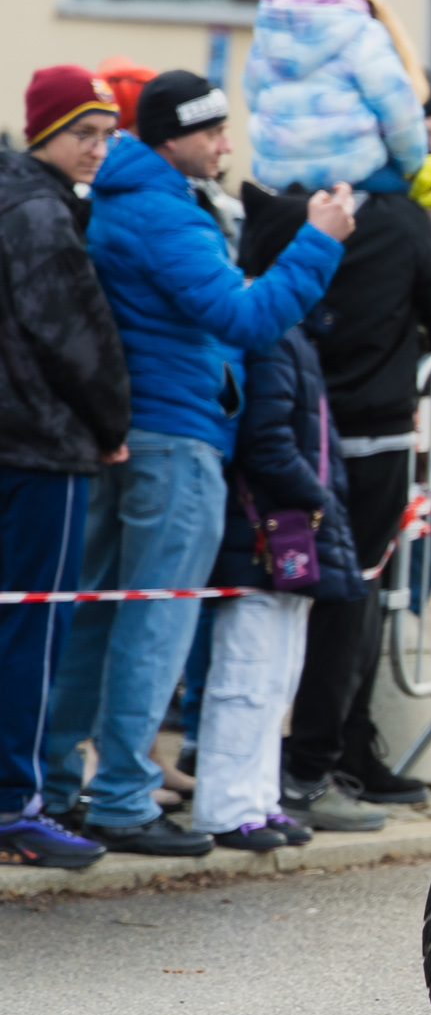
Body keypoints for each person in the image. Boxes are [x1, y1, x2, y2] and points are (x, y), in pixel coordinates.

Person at [45, 72, 350, 856]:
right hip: (174, 441)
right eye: (211, 131)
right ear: (169, 137)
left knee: (101, 615)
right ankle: (120, 797)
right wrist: (319, 241)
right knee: (156, 621)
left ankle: (58, 785)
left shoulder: (136, 199)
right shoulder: (160, 209)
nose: (225, 143)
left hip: (138, 434)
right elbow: (245, 317)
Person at [271, 77, 431, 825]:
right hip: (369, 436)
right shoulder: (397, 217)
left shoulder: (286, 202)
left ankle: (334, 756)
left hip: (285, 429)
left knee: (272, 597)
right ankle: (311, 768)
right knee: (347, 600)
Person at [193, 207, 367, 851]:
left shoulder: (291, 335)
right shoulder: (272, 337)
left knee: (275, 676)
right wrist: (318, 494)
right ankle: (226, 805)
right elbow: (265, 443)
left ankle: (258, 798)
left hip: (287, 527)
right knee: (248, 671)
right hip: (267, 531)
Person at [0, 67, 132, 868]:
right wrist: (111, 422)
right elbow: (75, 336)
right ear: (44, 131)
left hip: (23, 441)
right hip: (42, 448)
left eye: (107, 133)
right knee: (33, 626)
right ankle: (16, 803)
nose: (98, 149)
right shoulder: (40, 212)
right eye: (84, 132)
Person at [241, 0, 429, 195]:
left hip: (278, 177)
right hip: (352, 174)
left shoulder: (270, 30)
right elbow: (400, 112)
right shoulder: (363, 32)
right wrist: (413, 164)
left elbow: (252, 97)